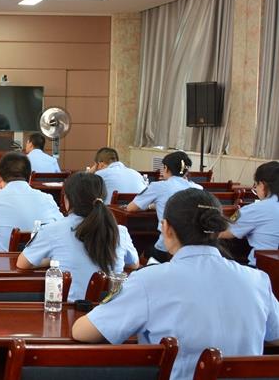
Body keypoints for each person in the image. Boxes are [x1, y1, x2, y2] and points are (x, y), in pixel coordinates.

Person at [72, 189, 279, 380]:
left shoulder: (149, 280)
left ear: (166, 228)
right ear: (217, 230)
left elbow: (84, 332)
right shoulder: (257, 280)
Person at [17, 172, 139, 301]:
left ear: (67, 200)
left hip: (69, 308)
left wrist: (52, 260)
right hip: (110, 307)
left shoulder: (52, 230)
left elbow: (22, 263)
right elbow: (134, 265)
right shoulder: (119, 231)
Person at [0, 152, 62, 252]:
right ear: (30, 177)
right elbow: (61, 226)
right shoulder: (47, 199)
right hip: (39, 261)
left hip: (5, 261)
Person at [127, 151, 201, 262]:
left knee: (141, 248)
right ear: (186, 170)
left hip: (166, 249)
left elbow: (131, 208)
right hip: (193, 247)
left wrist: (151, 206)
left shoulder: (158, 186)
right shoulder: (198, 188)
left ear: (166, 168)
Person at [220, 161, 279, 266]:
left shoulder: (255, 209)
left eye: (255, 185)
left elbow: (224, 231)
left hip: (264, 269)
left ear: (262, 185)